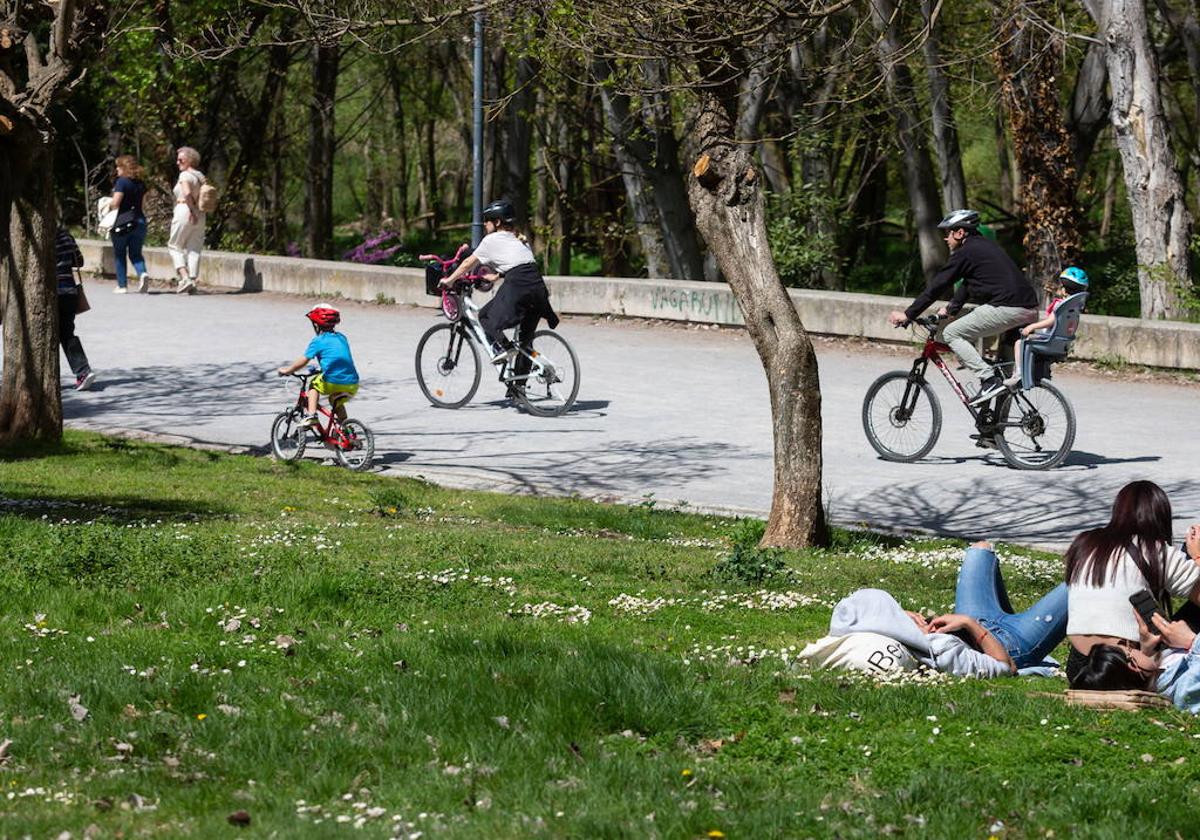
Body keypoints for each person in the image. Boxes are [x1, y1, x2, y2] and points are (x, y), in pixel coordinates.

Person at [799, 541, 1068, 678]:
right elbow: (1005, 668)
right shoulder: (940, 651)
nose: (918, 618)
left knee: (980, 550)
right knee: (1081, 582)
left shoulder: (888, 629)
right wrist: (968, 624)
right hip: (1013, 644)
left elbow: (853, 612)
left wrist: (903, 616)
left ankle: (1009, 611)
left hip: (976, 619)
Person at [888, 209, 1039, 405]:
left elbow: (938, 285)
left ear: (960, 233)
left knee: (952, 333)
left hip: (1008, 308)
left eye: (948, 233)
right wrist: (951, 309)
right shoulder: (984, 247)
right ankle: (992, 432)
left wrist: (908, 314)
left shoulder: (965, 252)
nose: (946, 238)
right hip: (1029, 310)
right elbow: (969, 283)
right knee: (1005, 377)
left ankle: (988, 379)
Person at [1065, 481, 1200, 686]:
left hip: (1079, 666)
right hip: (1125, 662)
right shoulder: (1154, 551)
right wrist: (1196, 555)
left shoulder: (1084, 543)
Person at [439, 199, 559, 382]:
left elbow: (467, 263)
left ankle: (505, 347)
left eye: (487, 221)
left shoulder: (491, 240)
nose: (485, 225)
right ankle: (518, 387)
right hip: (537, 287)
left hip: (518, 286)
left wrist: (449, 280)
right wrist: (496, 277)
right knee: (525, 341)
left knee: (486, 317)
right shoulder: (518, 240)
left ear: (497, 223)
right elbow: (520, 264)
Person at [1003, 266, 1089, 388]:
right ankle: (1042, 374)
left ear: (1064, 289)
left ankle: (1019, 373)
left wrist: (1031, 326)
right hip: (1061, 344)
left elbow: (1050, 321)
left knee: (1019, 343)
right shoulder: (1074, 307)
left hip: (1048, 340)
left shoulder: (1060, 306)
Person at [277, 305, 359, 428]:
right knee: (334, 400)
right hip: (353, 383)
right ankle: (346, 429)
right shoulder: (342, 338)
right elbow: (336, 357)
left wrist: (288, 370)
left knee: (313, 386)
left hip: (333, 381)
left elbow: (303, 361)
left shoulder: (318, 341)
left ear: (316, 324)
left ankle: (312, 416)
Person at [56, 227, 96, 390]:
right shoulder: (66, 235)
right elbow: (79, 261)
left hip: (52, 291)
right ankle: (83, 372)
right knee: (67, 333)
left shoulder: (36, 234)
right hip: (70, 291)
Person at [168, 146, 206, 295]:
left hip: (185, 209)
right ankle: (193, 280)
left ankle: (184, 278)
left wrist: (190, 210)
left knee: (174, 245)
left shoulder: (184, 175)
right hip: (201, 213)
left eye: (181, 159)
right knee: (194, 248)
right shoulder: (200, 176)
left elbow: (187, 192)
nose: (178, 162)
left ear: (190, 160)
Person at [109, 155, 149, 294]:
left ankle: (122, 285)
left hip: (122, 223)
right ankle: (142, 273)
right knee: (136, 254)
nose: (117, 170)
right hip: (139, 221)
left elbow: (116, 203)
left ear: (124, 168)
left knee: (120, 254)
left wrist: (107, 204)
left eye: (118, 167)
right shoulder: (141, 184)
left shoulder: (121, 182)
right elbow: (143, 205)